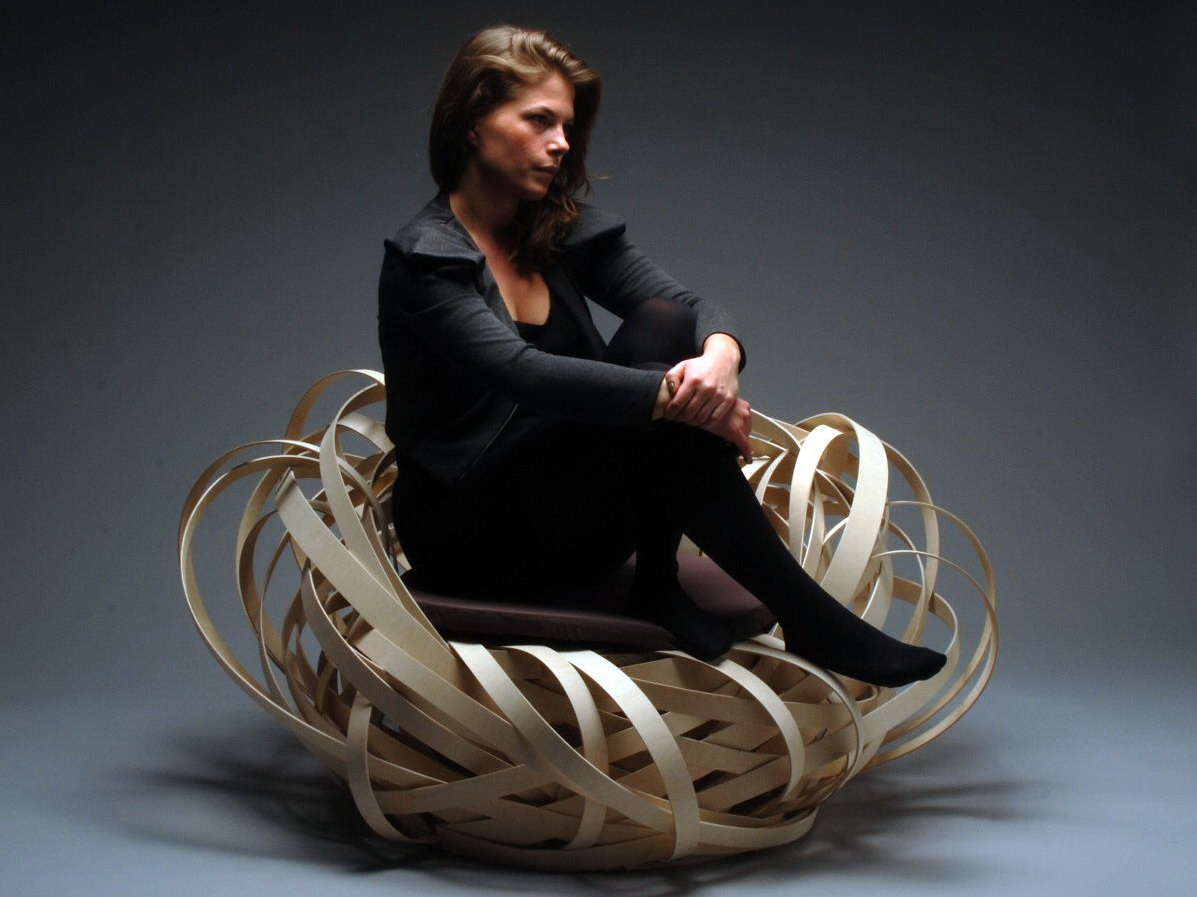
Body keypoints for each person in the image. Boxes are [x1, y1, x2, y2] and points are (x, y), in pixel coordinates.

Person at [377, 24, 946, 687]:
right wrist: (677, 401)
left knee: (666, 324)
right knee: (656, 392)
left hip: (570, 516)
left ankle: (658, 580)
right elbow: (521, 374)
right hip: (471, 537)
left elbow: (687, 305)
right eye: (539, 121)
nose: (561, 143)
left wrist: (720, 363)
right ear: (473, 123)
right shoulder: (425, 260)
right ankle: (811, 618)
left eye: (567, 126)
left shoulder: (553, 230)